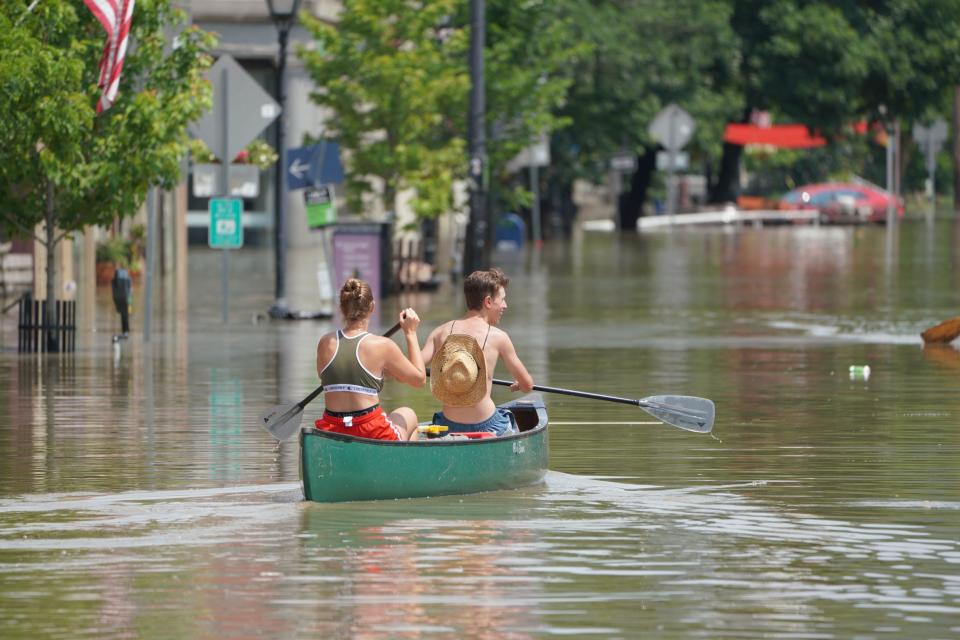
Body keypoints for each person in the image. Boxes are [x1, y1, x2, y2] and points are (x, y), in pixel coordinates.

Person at [421, 268, 533, 436]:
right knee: (512, 420)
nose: (505, 305)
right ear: (488, 302)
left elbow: (413, 369)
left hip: (448, 426)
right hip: (489, 426)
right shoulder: (499, 337)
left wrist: (409, 333)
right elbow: (527, 385)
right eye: (502, 300)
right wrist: (519, 384)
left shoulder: (440, 332)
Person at [314, 278, 425, 441]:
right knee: (408, 414)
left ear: (341, 308)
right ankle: (402, 464)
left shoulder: (325, 343)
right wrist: (410, 332)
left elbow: (331, 378)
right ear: (372, 307)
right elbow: (419, 380)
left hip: (332, 429)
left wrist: (379, 372)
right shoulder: (382, 345)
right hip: (370, 430)